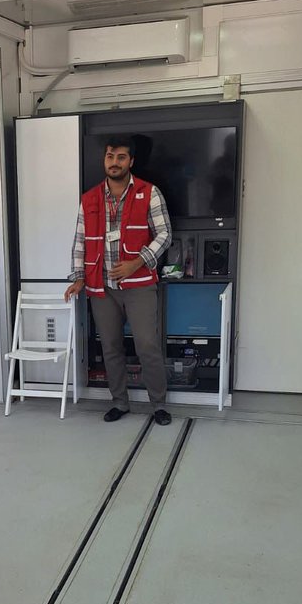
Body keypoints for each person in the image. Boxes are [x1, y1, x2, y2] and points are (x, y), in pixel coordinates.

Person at [64, 134, 173, 426]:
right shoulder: (89, 199)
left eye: (121, 157)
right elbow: (80, 241)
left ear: (131, 162)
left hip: (139, 286)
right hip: (102, 287)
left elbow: (165, 235)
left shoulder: (150, 193)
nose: (114, 163)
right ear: (105, 160)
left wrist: (136, 263)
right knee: (110, 347)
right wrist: (78, 278)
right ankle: (120, 402)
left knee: (147, 345)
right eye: (110, 157)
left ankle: (158, 404)